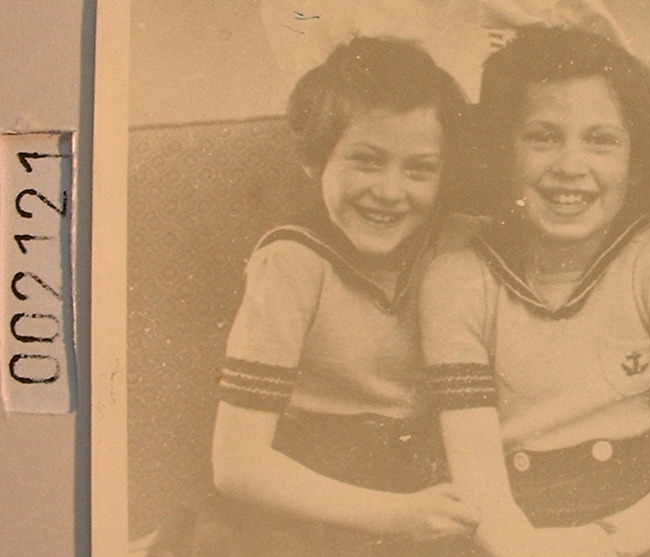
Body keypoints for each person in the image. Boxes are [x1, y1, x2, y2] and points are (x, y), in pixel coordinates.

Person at [151, 37, 482, 557]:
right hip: (305, 500)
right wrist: (395, 515)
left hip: (427, 487)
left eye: (420, 169)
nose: (390, 192)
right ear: (316, 160)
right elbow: (237, 464)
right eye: (366, 161)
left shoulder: (460, 244)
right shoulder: (291, 262)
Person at [420, 26, 650, 557]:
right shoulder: (457, 280)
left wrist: (596, 544)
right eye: (542, 137)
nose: (570, 167)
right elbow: (482, 495)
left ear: (636, 162)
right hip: (512, 536)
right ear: (502, 152)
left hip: (645, 531)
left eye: (601, 140)